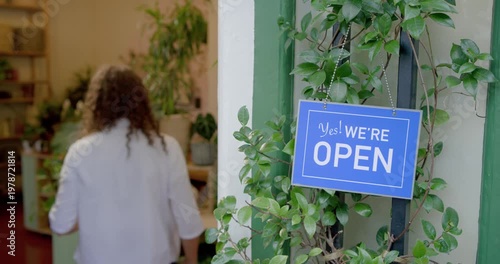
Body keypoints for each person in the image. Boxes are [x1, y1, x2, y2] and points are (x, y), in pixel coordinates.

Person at [49, 65, 204, 264]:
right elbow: (188, 219)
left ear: (97, 104)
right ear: (141, 103)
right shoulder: (167, 148)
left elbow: (61, 225)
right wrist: (192, 261)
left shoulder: (80, 152)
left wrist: (95, 213)